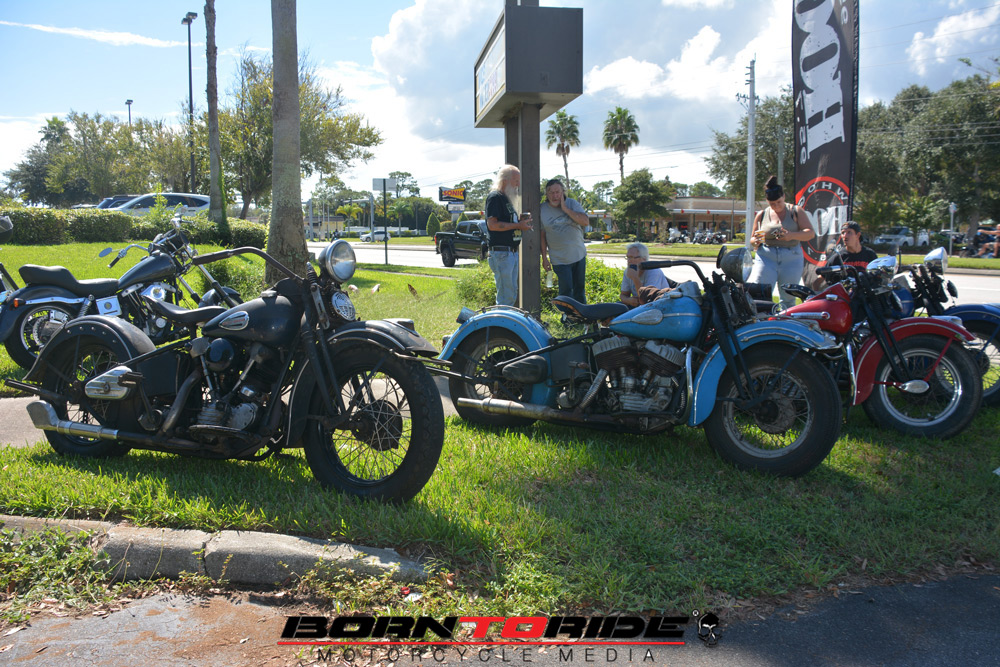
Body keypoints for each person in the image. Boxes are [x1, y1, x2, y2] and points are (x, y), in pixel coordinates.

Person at [748, 175, 815, 309]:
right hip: (767, 256)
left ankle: (785, 319)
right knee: (761, 292)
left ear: (784, 197)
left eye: (779, 202)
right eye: (772, 204)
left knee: (788, 296)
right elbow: (752, 240)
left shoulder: (795, 211)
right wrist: (756, 240)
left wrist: (791, 235)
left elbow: (810, 233)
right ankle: (764, 317)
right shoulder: (762, 214)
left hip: (791, 256)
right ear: (767, 201)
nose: (776, 206)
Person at [485, 165, 533, 306]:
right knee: (506, 295)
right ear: (505, 180)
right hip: (502, 253)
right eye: (516, 181)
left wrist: (520, 221)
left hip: (510, 252)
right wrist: (518, 226)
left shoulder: (506, 198)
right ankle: (501, 319)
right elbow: (492, 225)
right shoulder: (495, 197)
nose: (518, 184)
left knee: (510, 293)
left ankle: (504, 318)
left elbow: (506, 222)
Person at [540, 179, 590, 303]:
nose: (555, 196)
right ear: (546, 194)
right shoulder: (541, 209)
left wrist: (565, 209)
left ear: (563, 192)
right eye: (551, 192)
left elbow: (585, 222)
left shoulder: (572, 204)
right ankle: (566, 314)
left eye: (557, 192)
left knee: (579, 290)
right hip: (559, 259)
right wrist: (544, 258)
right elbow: (542, 235)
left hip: (578, 255)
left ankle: (581, 314)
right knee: (566, 291)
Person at [619, 242, 675, 307]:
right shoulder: (628, 271)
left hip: (660, 306)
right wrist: (628, 300)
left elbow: (648, 300)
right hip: (641, 306)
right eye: (628, 257)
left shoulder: (654, 271)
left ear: (644, 259)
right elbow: (623, 295)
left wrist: (635, 278)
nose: (629, 261)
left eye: (632, 257)